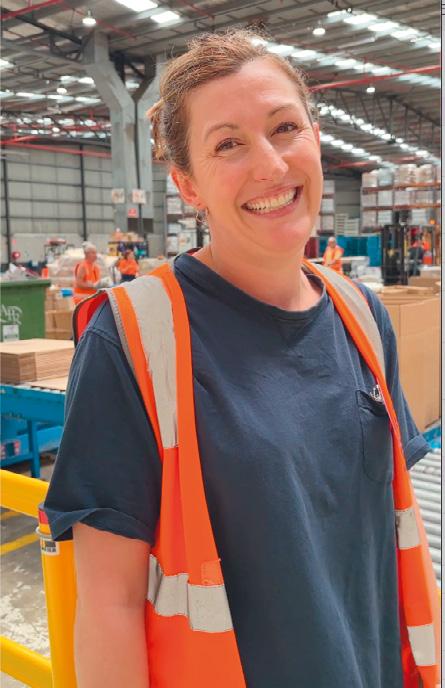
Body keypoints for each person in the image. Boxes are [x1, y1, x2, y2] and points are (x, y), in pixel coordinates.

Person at [44, 30, 439, 688]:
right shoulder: (133, 338)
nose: (271, 165)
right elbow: (109, 605)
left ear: (315, 137)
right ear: (187, 184)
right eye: (227, 144)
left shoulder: (361, 315)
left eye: (284, 127)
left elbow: (390, 535)